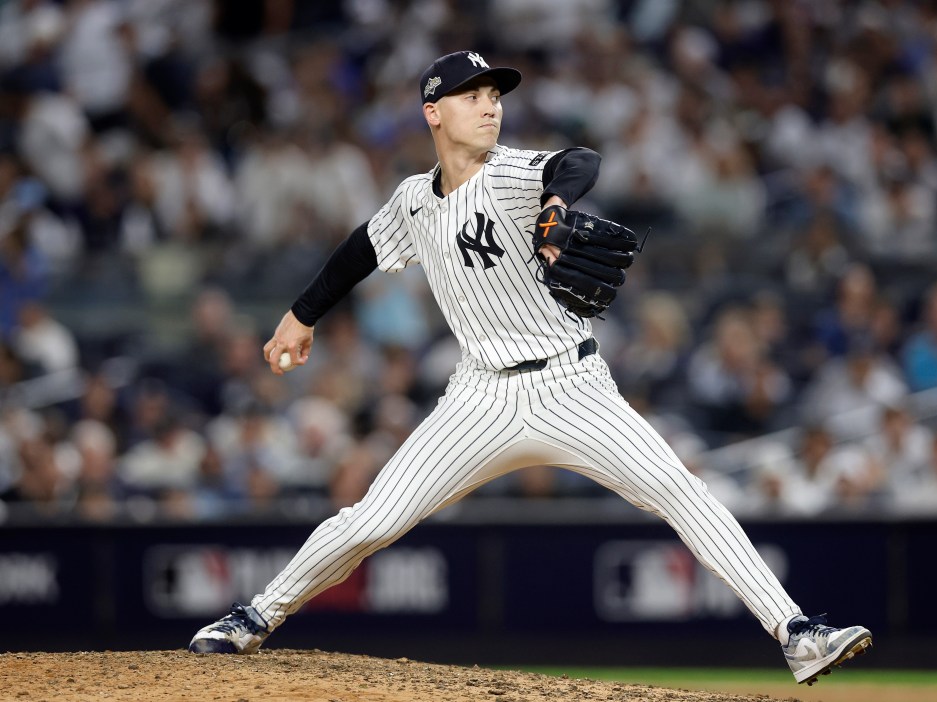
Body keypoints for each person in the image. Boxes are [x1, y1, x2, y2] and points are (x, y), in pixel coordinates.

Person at [186, 50, 872, 686]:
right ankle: (254, 617)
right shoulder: (414, 200)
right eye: (471, 96)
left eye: (494, 95)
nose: (490, 107)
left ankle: (796, 632)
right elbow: (358, 252)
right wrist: (302, 316)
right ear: (432, 112)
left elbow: (579, 161)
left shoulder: (511, 173)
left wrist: (554, 204)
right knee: (371, 521)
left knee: (677, 488)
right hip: (478, 398)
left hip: (572, 386)